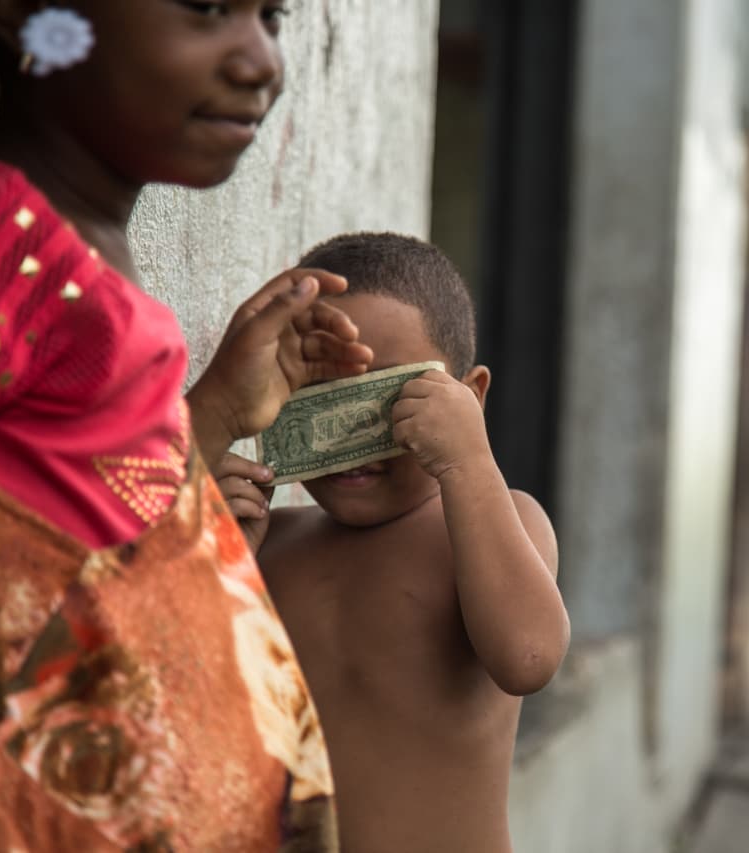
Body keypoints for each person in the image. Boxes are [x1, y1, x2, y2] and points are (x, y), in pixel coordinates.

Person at [0, 2, 376, 849]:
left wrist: (219, 409)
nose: (260, 59)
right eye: (209, 9)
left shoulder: (74, 261)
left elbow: (83, 543)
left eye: (272, 15)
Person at [215, 232, 572, 853]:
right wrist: (213, 556)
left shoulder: (497, 525)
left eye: (391, 397)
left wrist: (468, 463)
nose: (354, 427)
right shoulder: (272, 545)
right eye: (320, 396)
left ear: (470, 398)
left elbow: (529, 659)